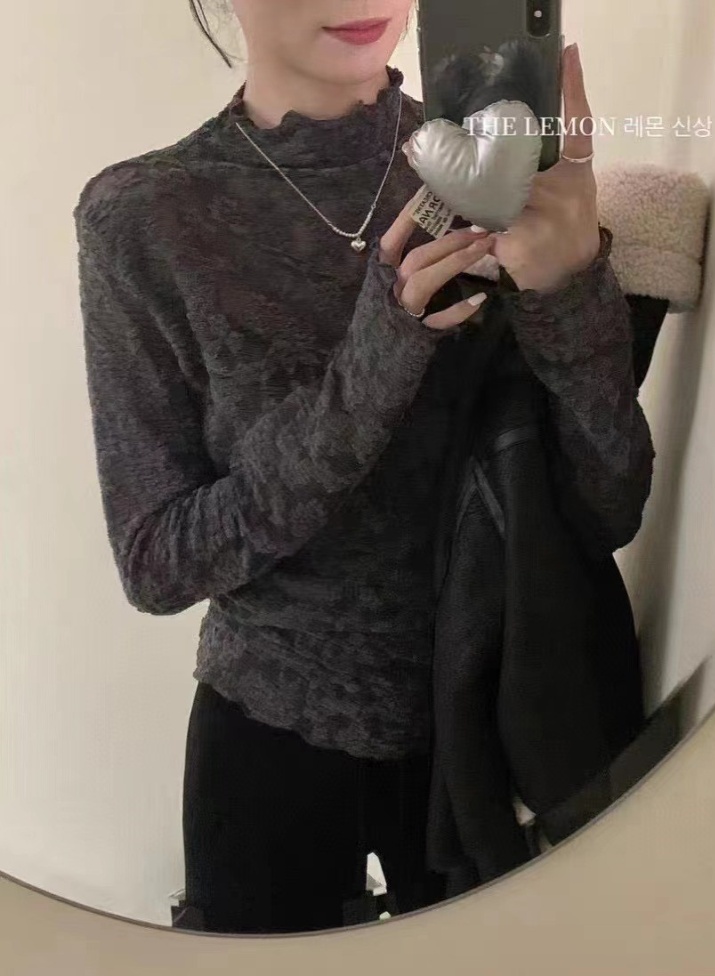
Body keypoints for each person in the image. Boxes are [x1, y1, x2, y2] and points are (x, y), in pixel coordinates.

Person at [73, 0, 654, 934]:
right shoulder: (144, 215)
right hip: (267, 745)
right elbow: (157, 561)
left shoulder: (499, 164)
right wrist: (375, 362)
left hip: (491, 731)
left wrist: (570, 283)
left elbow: (608, 508)